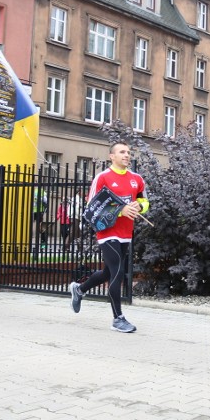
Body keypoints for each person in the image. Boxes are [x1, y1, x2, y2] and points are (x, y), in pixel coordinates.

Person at [69, 141, 149, 333]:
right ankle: (118, 319)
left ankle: (79, 289)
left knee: (108, 272)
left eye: (128, 152)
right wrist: (121, 210)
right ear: (111, 156)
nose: (126, 155)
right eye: (122, 152)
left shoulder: (136, 178)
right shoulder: (102, 178)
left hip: (126, 233)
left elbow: (145, 201)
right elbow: (92, 206)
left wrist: (140, 207)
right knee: (118, 271)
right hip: (107, 231)